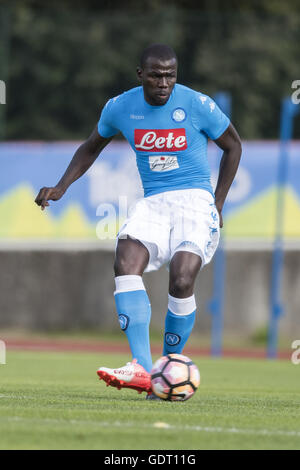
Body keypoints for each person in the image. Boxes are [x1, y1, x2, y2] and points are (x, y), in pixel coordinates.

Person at [35, 44, 242, 399]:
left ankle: (170, 364)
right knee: (125, 261)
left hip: (195, 201)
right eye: (157, 75)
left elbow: (233, 146)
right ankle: (144, 370)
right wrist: (61, 186)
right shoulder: (120, 108)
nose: (164, 83)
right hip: (153, 203)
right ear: (141, 75)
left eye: (171, 75)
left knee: (181, 278)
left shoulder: (196, 104)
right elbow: (90, 147)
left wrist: (218, 201)